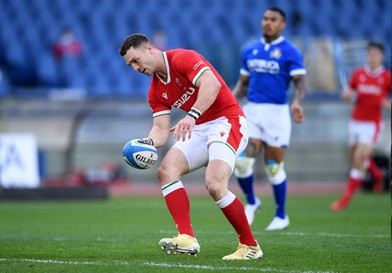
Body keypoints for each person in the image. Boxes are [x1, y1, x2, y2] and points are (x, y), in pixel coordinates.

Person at [118, 33, 263, 260]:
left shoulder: (183, 58)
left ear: (149, 49)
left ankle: (250, 246)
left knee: (215, 184)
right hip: (198, 127)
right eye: (130, 66)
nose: (135, 68)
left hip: (228, 120)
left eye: (135, 60)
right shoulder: (155, 90)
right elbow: (160, 130)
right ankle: (187, 238)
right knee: (166, 171)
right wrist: (147, 143)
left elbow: (212, 84)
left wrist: (192, 116)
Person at [232, 7, 306, 230]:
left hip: (276, 114)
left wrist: (297, 102)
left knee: (273, 166)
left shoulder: (290, 51)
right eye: (265, 18)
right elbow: (243, 84)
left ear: (282, 24)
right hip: (252, 111)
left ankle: (281, 215)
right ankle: (252, 202)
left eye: (273, 20)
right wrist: (230, 103)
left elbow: (301, 82)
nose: (267, 23)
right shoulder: (250, 50)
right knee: (242, 162)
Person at [330, 41, 391, 212]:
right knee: (355, 158)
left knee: (358, 159)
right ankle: (377, 173)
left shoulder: (386, 77)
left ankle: (344, 201)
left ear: (382, 57)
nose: (373, 57)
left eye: (376, 54)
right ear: (367, 55)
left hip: (372, 124)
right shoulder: (358, 74)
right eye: (370, 53)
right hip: (355, 122)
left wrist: (387, 103)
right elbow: (348, 93)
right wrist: (346, 95)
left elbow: (387, 99)